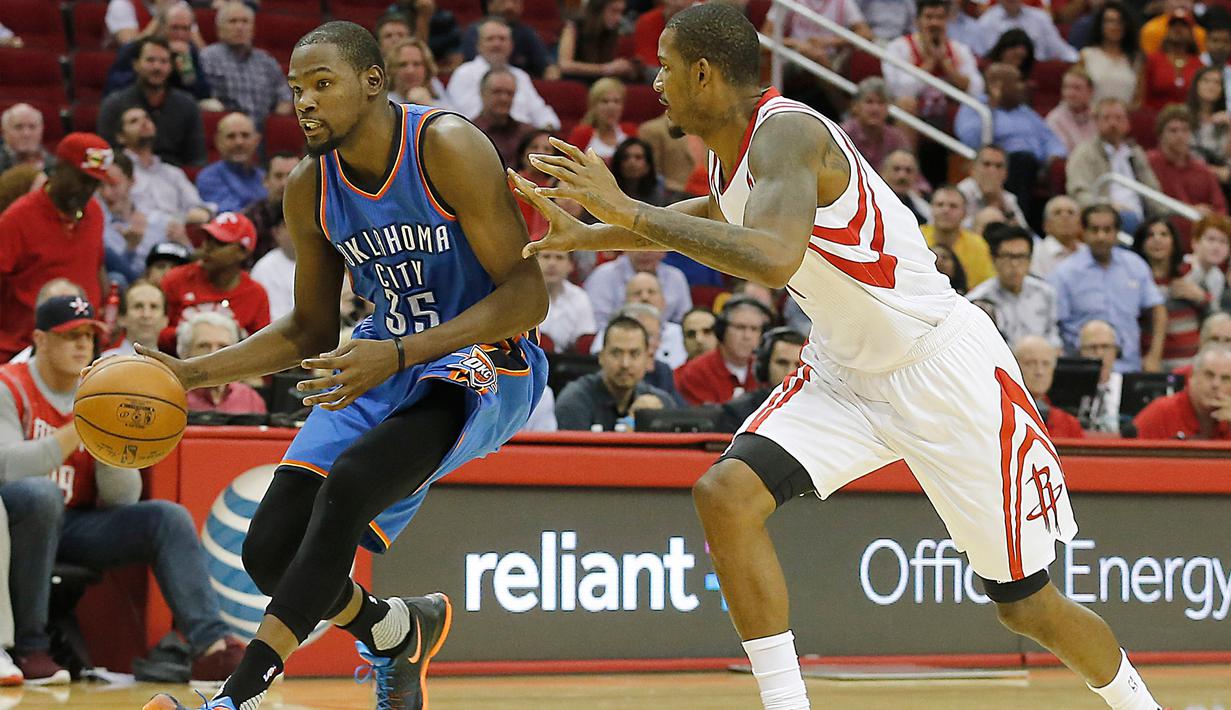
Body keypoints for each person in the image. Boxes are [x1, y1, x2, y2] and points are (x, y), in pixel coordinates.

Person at [513, 5, 1164, 709]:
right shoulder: (729, 150)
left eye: (665, 68)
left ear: (703, 72)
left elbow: (771, 256)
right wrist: (593, 235)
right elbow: (725, 214)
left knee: (1025, 606)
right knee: (725, 495)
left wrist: (630, 211)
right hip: (846, 371)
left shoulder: (786, 133)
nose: (656, 82)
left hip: (944, 371)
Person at [143, 19, 548, 710]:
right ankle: (396, 630)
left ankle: (232, 701)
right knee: (268, 552)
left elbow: (526, 296)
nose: (304, 102)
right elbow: (307, 327)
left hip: (485, 357)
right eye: (297, 89)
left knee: (351, 484)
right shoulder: (309, 185)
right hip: (379, 355)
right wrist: (187, 374)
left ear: (373, 83)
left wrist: (397, 352)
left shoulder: (444, 145)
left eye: (322, 84)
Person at [0, 295, 244, 685]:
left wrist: (111, 439)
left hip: (74, 525)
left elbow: (121, 499)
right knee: (39, 495)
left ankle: (210, 648)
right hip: (15, 524)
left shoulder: (104, 390)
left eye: (89, 335)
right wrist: (82, 425)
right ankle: (31, 645)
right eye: (70, 335)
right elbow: (8, 467)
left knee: (166, 517)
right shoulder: (9, 385)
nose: (82, 344)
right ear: (40, 340)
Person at [0, 133, 115, 363]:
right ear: (59, 168)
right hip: (26, 351)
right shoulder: (17, 219)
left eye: (95, 183)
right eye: (82, 179)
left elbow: (95, 266)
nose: (87, 189)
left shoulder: (94, 213)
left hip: (82, 350)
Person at [1052, 205, 1167, 374]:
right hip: (1082, 369)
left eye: (1107, 230)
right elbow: (1054, 322)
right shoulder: (1065, 273)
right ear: (1083, 232)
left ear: (1117, 232)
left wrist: (1154, 355)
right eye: (1095, 230)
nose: (1101, 236)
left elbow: (1158, 309)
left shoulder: (1135, 265)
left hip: (1130, 368)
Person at [158, 211, 270, 352]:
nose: (207, 247)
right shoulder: (175, 280)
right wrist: (190, 334)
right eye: (207, 239)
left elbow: (262, 352)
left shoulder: (255, 294)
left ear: (242, 252)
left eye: (219, 243)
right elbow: (154, 333)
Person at [97, 36, 207, 168]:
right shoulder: (113, 104)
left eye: (164, 61)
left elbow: (197, 159)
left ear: (171, 67)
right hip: (128, 176)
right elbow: (104, 156)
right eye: (150, 60)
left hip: (174, 177)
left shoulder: (187, 104)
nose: (157, 67)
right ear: (136, 65)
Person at [555, 316, 672, 430]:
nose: (625, 364)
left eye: (634, 354)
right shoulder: (575, 402)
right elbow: (576, 450)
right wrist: (631, 427)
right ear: (601, 357)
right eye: (616, 353)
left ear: (647, 358)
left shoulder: (661, 404)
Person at [1066, 98, 1161, 234]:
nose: (1113, 123)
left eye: (1118, 118)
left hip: (1143, 219)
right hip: (1106, 219)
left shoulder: (1136, 153)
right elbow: (1079, 193)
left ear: (1128, 123)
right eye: (1106, 118)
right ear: (1096, 122)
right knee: (1128, 220)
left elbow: (1154, 194)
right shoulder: (1084, 153)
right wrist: (1107, 206)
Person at [448, 17, 561, 129]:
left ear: (511, 45)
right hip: (480, 136)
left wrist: (548, 128)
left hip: (521, 138)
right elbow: (459, 117)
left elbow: (541, 112)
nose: (497, 44)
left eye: (502, 39)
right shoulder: (464, 73)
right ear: (478, 45)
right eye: (490, 39)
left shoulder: (521, 76)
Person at [115, 106, 212, 236]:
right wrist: (180, 219)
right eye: (134, 121)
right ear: (120, 137)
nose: (144, 122)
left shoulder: (173, 173)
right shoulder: (118, 172)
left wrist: (193, 216)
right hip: (137, 239)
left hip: (177, 240)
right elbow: (121, 213)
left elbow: (200, 209)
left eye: (147, 118)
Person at [199, 1, 293, 127]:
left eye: (245, 21)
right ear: (220, 29)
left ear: (253, 29)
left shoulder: (266, 61)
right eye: (233, 21)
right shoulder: (207, 58)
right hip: (224, 129)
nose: (239, 27)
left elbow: (285, 99)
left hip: (260, 132)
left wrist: (273, 124)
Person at [1131, 218, 1209, 372]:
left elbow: (1212, 316)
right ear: (1141, 243)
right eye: (1150, 235)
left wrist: (1201, 298)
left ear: (1174, 242)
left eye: (1163, 234)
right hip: (1151, 363)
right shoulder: (1133, 280)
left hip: (1190, 361)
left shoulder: (1192, 274)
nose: (1157, 240)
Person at [967, 225, 1060, 345]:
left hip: (1039, 359)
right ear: (994, 259)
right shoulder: (977, 299)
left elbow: (1053, 336)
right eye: (1008, 257)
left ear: (1030, 260)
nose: (1015, 264)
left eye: (1021, 257)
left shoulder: (1046, 293)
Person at [104, 1, 214, 103]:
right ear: (161, 27)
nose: (180, 35)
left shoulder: (188, 50)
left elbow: (202, 93)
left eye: (185, 29)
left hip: (177, 107)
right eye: (174, 28)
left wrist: (186, 70)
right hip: (138, 103)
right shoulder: (133, 49)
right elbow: (115, 89)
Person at [671, 296, 770, 405]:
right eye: (740, 327)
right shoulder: (696, 372)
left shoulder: (767, 368)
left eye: (754, 329)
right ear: (722, 330)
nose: (747, 336)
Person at [713, 327, 806, 432]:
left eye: (799, 365)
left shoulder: (818, 409)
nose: (790, 372)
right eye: (782, 363)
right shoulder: (737, 412)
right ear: (764, 366)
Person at [99, 152, 170, 286]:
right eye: (100, 186)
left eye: (113, 185)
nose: (106, 193)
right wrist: (130, 249)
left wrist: (183, 240)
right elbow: (119, 272)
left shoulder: (157, 220)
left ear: (132, 181)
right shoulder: (98, 226)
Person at [1133, 344, 1231, 439]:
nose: (1216, 384)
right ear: (1192, 377)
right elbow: (1127, 450)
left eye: (1225, 378)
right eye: (1209, 375)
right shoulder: (1162, 411)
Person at [1146, 104, 1228, 217]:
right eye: (1173, 130)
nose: (1180, 135)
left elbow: (1220, 209)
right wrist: (1190, 210)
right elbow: (1151, 205)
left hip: (1201, 231)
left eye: (1185, 130)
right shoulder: (1148, 163)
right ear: (1161, 134)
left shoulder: (1202, 170)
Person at [179, 312, 268, 414]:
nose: (214, 354)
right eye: (204, 346)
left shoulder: (250, 399)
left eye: (223, 347)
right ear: (185, 353)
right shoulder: (171, 397)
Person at [584, 250, 693, 324]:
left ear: (664, 249)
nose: (644, 252)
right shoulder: (603, 275)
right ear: (625, 247)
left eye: (650, 245)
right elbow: (597, 324)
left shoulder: (676, 277)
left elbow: (684, 321)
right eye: (638, 244)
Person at [920, 185, 995, 288]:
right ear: (931, 208)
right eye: (940, 205)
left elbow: (986, 285)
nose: (946, 210)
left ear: (965, 213)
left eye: (953, 206)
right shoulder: (916, 236)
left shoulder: (978, 245)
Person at [459, 0, 556, 79]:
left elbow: (548, 67)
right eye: (503, 1)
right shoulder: (475, 31)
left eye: (515, 2)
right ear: (490, 5)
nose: (509, 6)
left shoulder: (527, 33)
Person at [1013, 334, 1085, 437]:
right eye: (1030, 363)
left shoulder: (1069, 424)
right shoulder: (1003, 415)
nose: (1039, 372)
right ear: (1015, 366)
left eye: (1046, 364)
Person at [196, 112, 266, 215]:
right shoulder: (208, 178)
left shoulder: (263, 176)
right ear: (218, 141)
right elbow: (232, 215)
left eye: (245, 135)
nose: (239, 142)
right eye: (231, 136)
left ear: (256, 140)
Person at [838, 78, 911, 174]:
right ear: (855, 106)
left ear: (888, 109)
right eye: (869, 102)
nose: (875, 109)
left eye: (881, 103)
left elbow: (914, 176)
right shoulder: (841, 135)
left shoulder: (897, 138)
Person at [471, 68, 538, 169]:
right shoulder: (469, 132)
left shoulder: (528, 133)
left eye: (509, 93)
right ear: (482, 93)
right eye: (497, 92)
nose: (504, 98)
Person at [558, 0, 639, 83]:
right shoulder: (574, 27)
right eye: (614, 11)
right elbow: (565, 65)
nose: (618, 18)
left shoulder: (612, 31)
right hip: (576, 82)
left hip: (602, 83)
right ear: (598, 10)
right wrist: (605, 69)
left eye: (621, 12)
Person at [1077, 1, 1141, 104]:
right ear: (1101, 25)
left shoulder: (1136, 59)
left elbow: (1138, 100)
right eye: (1109, 21)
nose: (1115, 26)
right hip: (1092, 116)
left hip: (1124, 116)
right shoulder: (1087, 55)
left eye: (1120, 22)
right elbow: (1077, 91)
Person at [956, 144, 1031, 232]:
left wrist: (1001, 205)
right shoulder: (960, 193)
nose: (992, 171)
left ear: (1006, 173)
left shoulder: (1008, 198)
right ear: (973, 168)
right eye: (986, 164)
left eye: (998, 166)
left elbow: (1026, 234)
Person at [973, 0, 1078, 60]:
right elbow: (984, 57)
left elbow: (1060, 50)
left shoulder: (1040, 18)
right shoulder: (986, 22)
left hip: (1037, 72)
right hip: (1006, 74)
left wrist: (1079, 59)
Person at [243, 152, 301, 261]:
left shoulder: (318, 216)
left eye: (292, 175)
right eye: (278, 176)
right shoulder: (250, 218)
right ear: (265, 181)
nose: (284, 183)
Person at [537, 249, 597, 352]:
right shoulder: (522, 296)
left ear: (571, 265)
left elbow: (585, 340)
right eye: (546, 257)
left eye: (559, 258)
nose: (552, 263)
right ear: (535, 262)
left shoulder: (580, 297)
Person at [1142, 9, 1202, 111]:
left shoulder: (1198, 64)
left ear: (1191, 33)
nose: (1178, 29)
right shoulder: (1153, 60)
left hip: (1188, 120)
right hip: (1155, 118)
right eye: (1173, 25)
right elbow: (1142, 95)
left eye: (1183, 26)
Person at [568, 78, 639, 163]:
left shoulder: (630, 131)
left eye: (616, 101)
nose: (611, 107)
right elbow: (570, 167)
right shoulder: (581, 134)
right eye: (605, 101)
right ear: (593, 106)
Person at [102, 279, 169, 357]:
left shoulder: (174, 367)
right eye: (138, 306)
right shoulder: (104, 363)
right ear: (121, 318)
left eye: (154, 307)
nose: (146, 315)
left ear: (165, 320)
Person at [250, 210, 296, 321]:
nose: (297, 231)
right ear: (276, 232)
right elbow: (274, 321)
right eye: (289, 225)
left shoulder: (326, 260)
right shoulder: (265, 268)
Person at [385, 38, 454, 109]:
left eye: (416, 64)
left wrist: (428, 105)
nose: (410, 71)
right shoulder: (383, 103)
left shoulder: (437, 93)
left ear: (427, 69)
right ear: (392, 70)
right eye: (403, 65)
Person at [1032, 195, 1087, 278]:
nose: (1065, 217)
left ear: (1080, 224)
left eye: (1071, 212)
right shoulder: (1036, 253)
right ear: (1046, 225)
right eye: (1057, 213)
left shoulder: (1087, 252)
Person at [1046, 67, 1098, 153]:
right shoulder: (1054, 119)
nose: (1070, 93)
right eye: (1066, 87)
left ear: (1090, 91)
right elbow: (1063, 155)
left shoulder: (1099, 114)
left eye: (1077, 88)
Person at [880, 149, 931, 223]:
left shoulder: (924, 212)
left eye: (908, 170)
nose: (902, 176)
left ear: (916, 176)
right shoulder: (868, 202)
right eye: (896, 169)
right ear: (883, 172)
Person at [0, 105, 53, 175]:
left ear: (41, 130)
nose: (26, 134)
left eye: (32, 127)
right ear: (4, 131)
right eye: (18, 127)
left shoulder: (55, 164)